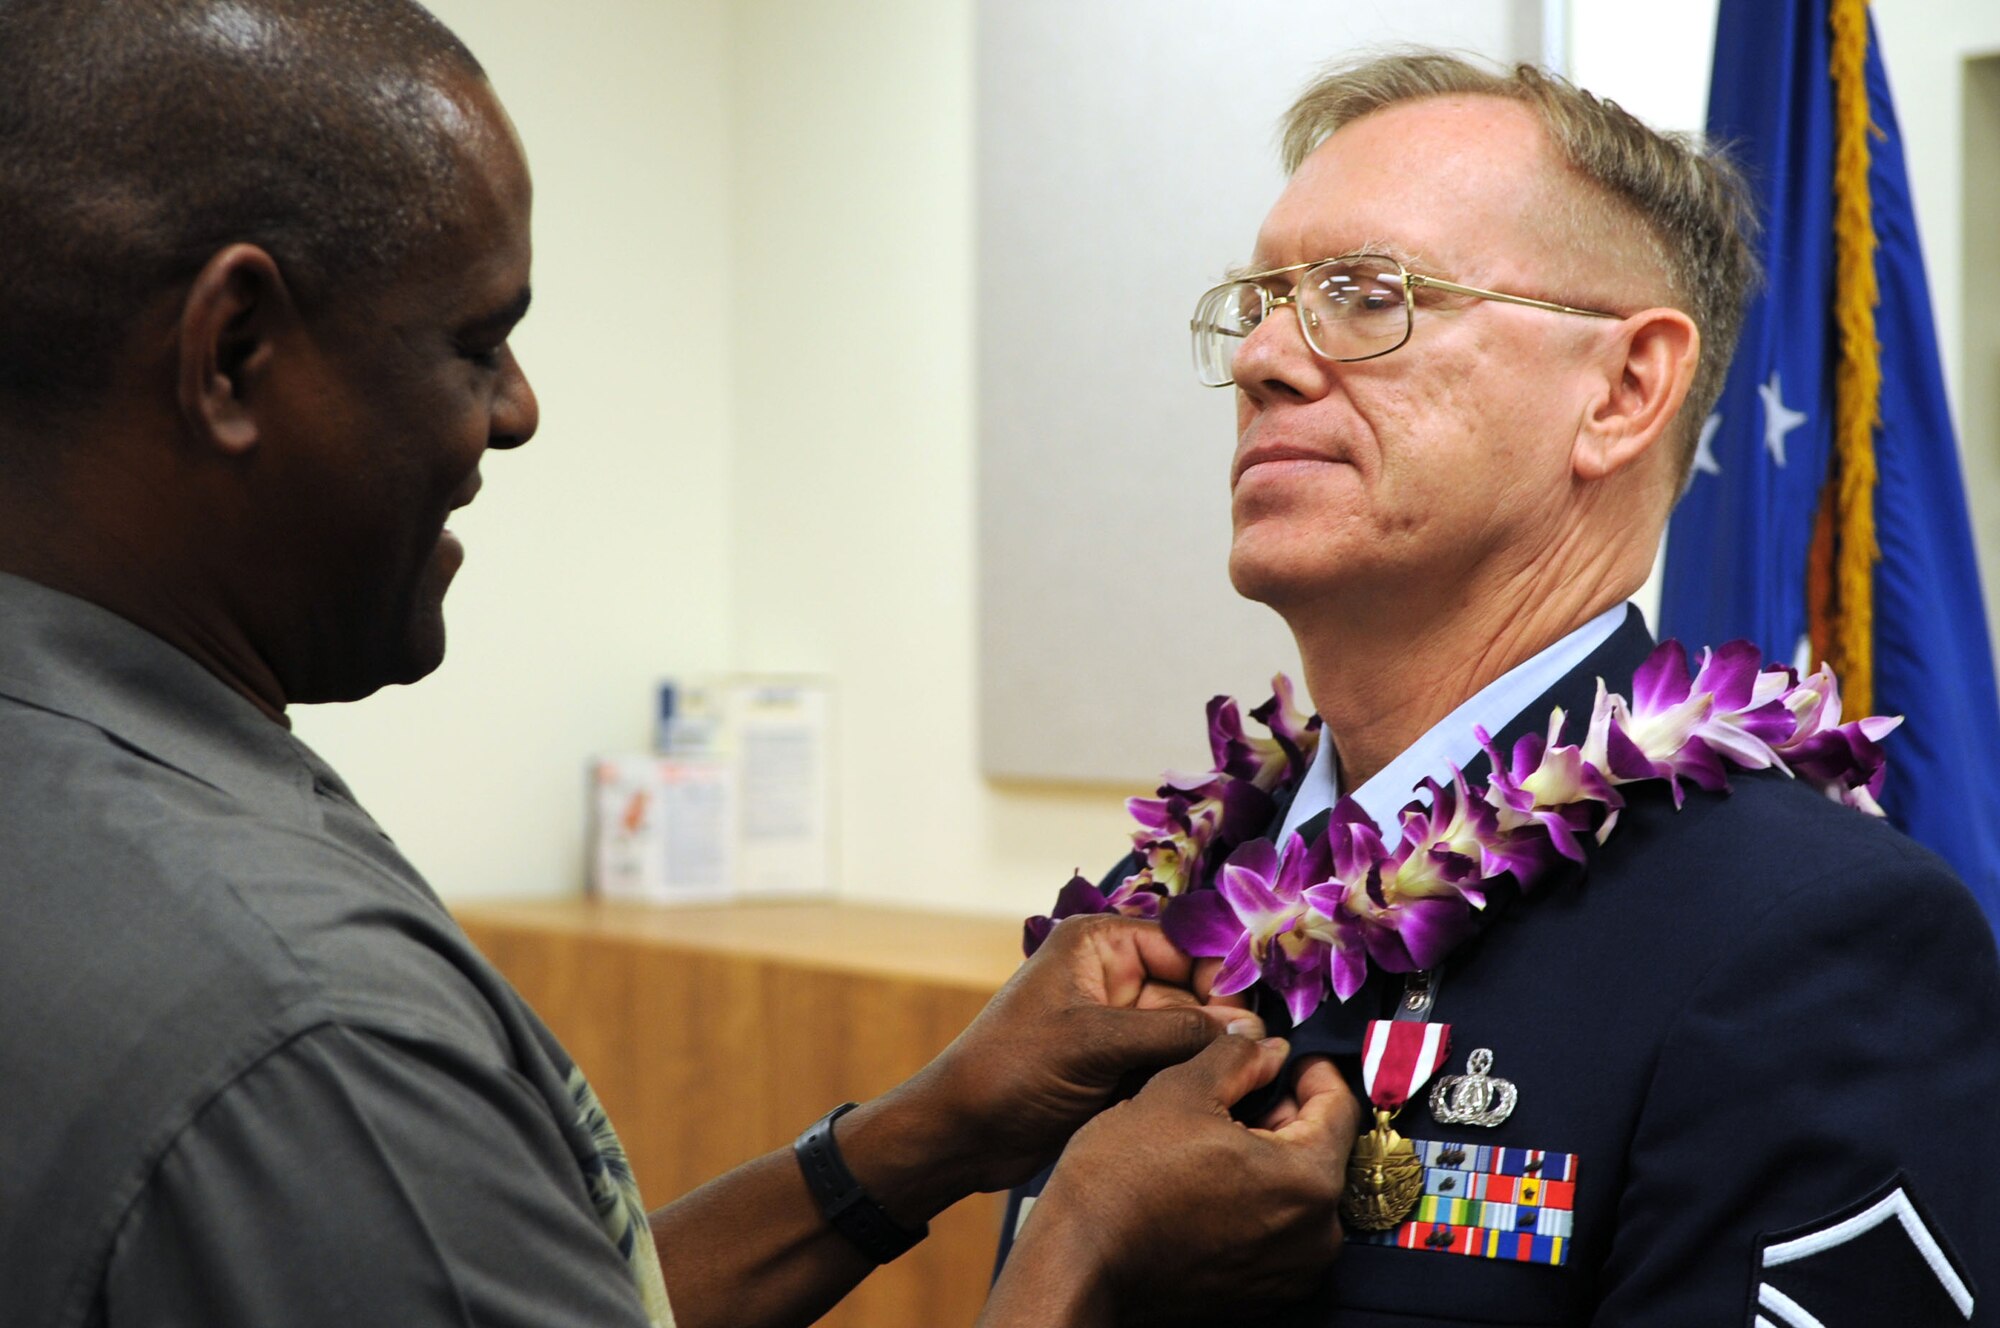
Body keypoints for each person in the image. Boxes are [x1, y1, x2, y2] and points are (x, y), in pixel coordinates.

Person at [0, 2, 1361, 1325]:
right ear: (233, 354)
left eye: (1367, 300)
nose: (518, 411)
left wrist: (926, 1134)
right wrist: (1081, 1245)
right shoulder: (312, 1030)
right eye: (475, 343)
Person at [999, 51, 2000, 1325]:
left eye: (1367, 296)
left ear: (1622, 390)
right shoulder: (1174, 900)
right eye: (1259, 302)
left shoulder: (1807, 937)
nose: (1259, 358)